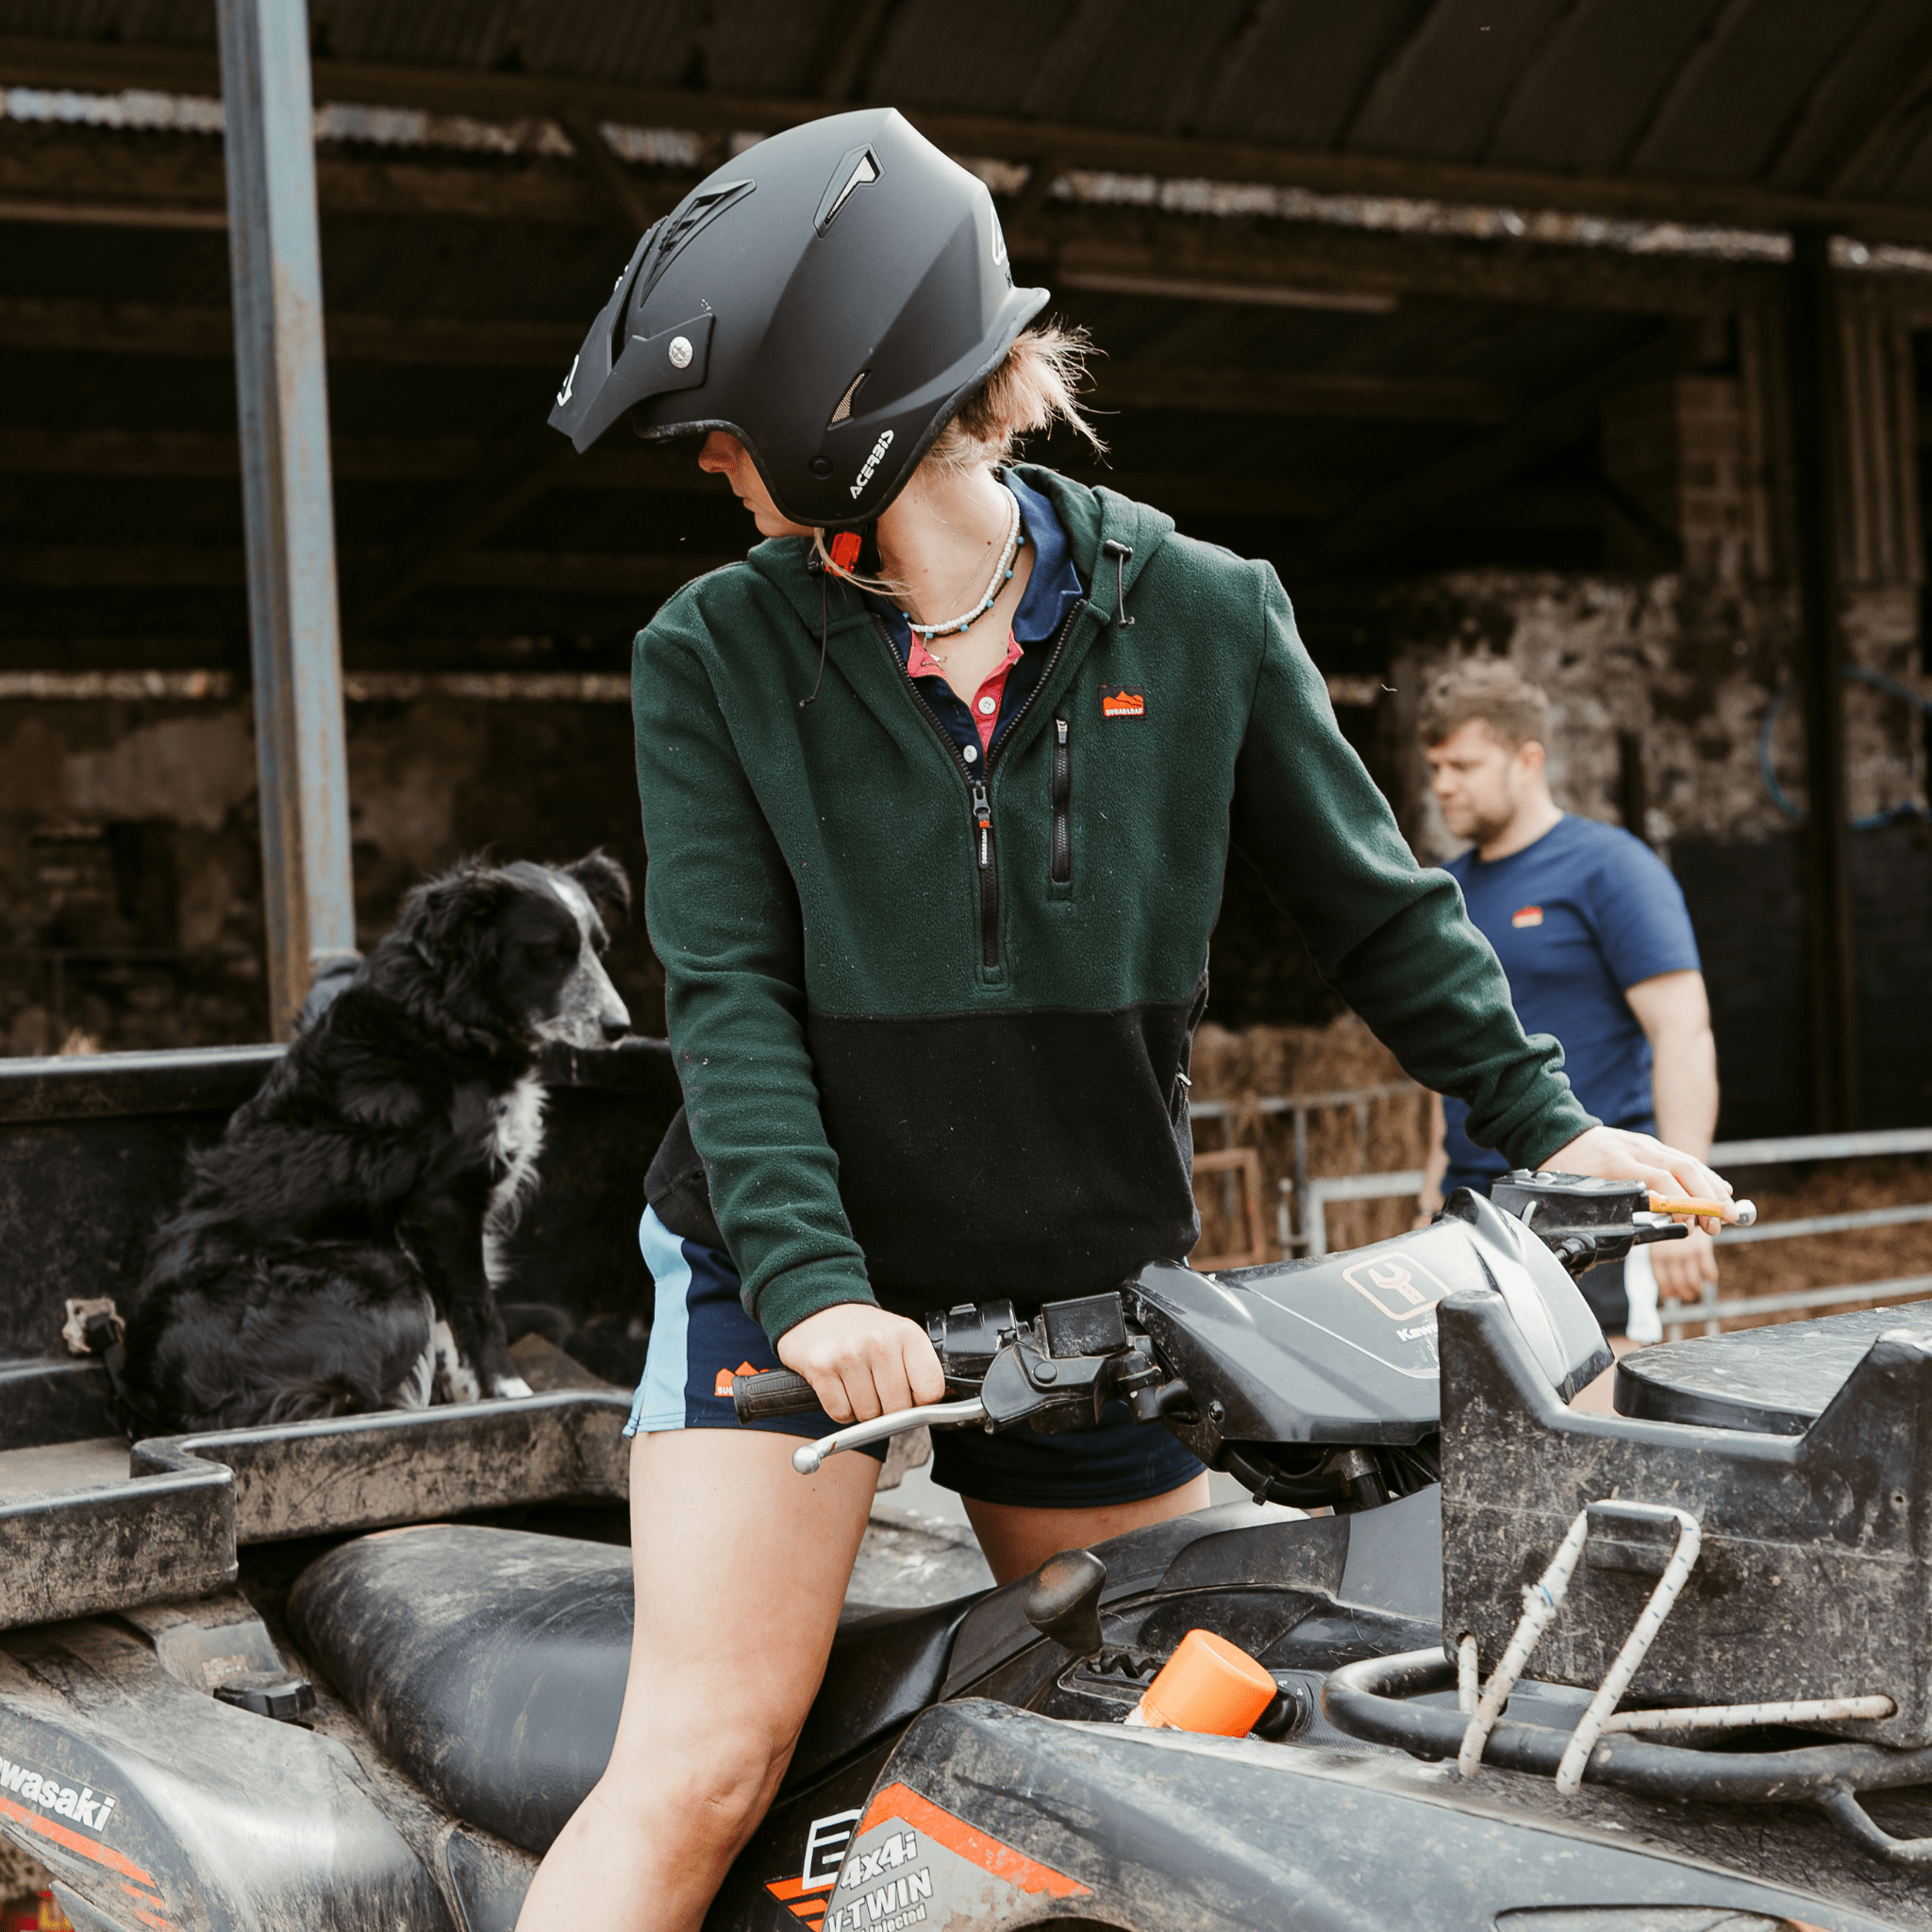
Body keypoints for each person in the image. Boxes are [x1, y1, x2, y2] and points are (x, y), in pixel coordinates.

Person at [521, 108, 1738, 1932]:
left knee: (1218, 1745)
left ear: (843, 400)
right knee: (700, 1763)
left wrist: (1555, 1126)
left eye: (724, 415)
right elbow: (732, 1000)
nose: (704, 455)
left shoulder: (1204, 611)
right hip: (784, 1296)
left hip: (1078, 1301)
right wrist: (817, 1287)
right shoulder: (710, 649)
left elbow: (1374, 909)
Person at [1413, 658, 1722, 1353]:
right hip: (1474, 1211)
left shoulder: (1613, 868)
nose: (1443, 785)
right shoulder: (1445, 891)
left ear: (1528, 761)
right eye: (1435, 768)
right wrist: (1428, 1194)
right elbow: (1449, 1058)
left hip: (1595, 1207)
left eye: (1463, 765)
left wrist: (1686, 1204)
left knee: (1596, 1414)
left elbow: (1682, 1032)